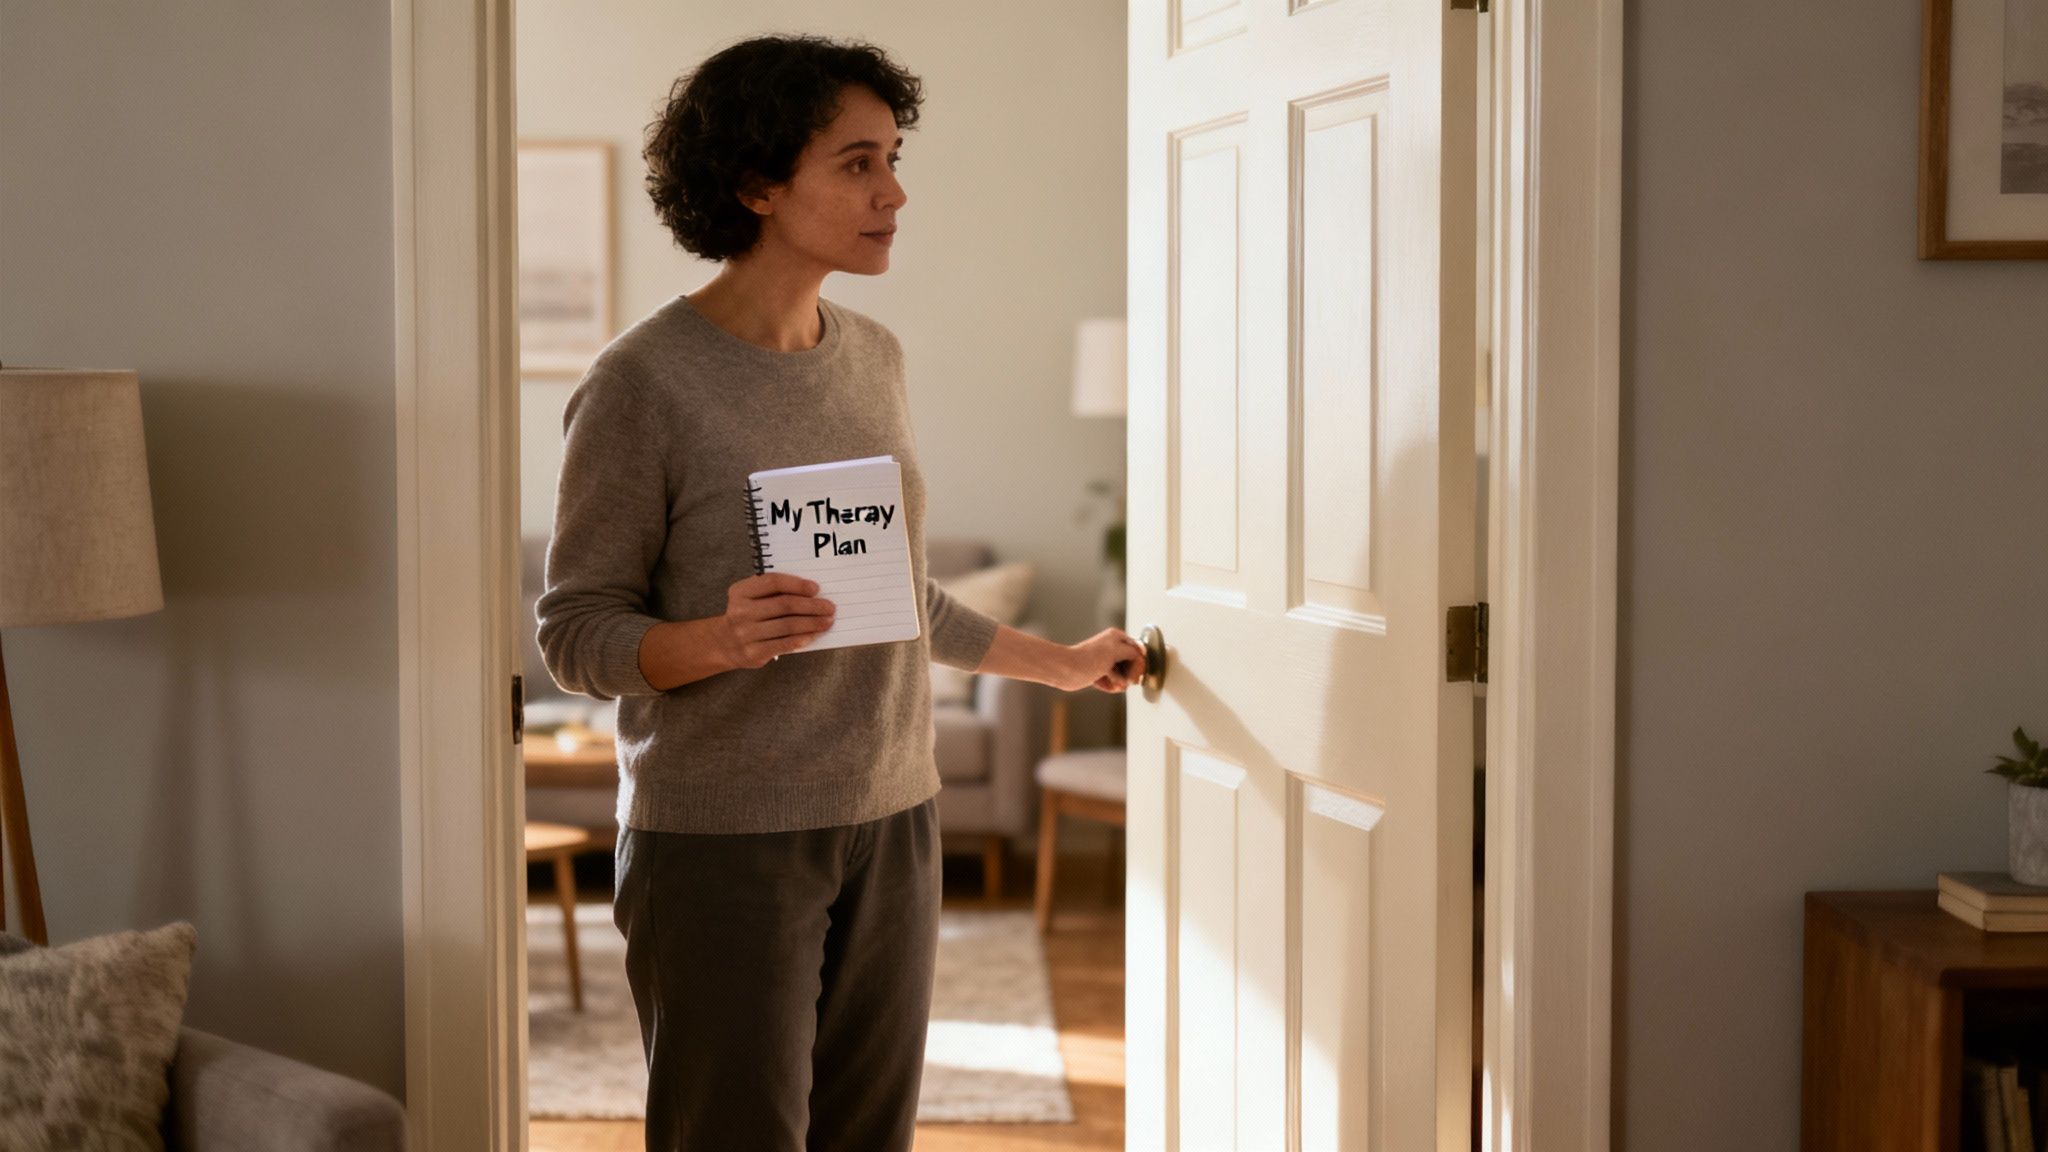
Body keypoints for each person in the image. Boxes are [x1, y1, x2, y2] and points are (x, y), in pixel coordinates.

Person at [533, 32, 1146, 1152]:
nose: (893, 192)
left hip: (893, 812)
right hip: (723, 837)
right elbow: (574, 636)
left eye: (893, 156)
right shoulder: (640, 384)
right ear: (756, 183)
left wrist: (1057, 663)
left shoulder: (871, 355)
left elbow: (894, 591)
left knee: (869, 1135)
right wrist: (716, 639)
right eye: (857, 163)